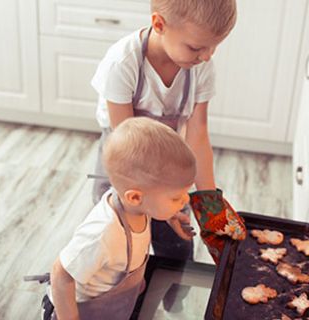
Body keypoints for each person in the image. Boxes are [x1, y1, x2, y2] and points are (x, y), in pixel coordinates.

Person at [90, 0, 244, 264]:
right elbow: (127, 144)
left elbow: (198, 134)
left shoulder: (200, 66)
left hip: (169, 160)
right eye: (197, 47)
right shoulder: (123, 63)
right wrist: (162, 208)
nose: (207, 56)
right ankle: (126, 295)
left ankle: (173, 301)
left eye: (214, 46)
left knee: (177, 245)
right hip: (124, 164)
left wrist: (209, 205)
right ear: (159, 24)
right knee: (121, 248)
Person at [44, 117, 197, 320]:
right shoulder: (103, 234)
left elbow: (151, 205)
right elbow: (61, 274)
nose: (186, 200)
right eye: (176, 197)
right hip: (80, 310)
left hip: (113, 304)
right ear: (135, 197)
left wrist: (170, 215)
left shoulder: (137, 205)